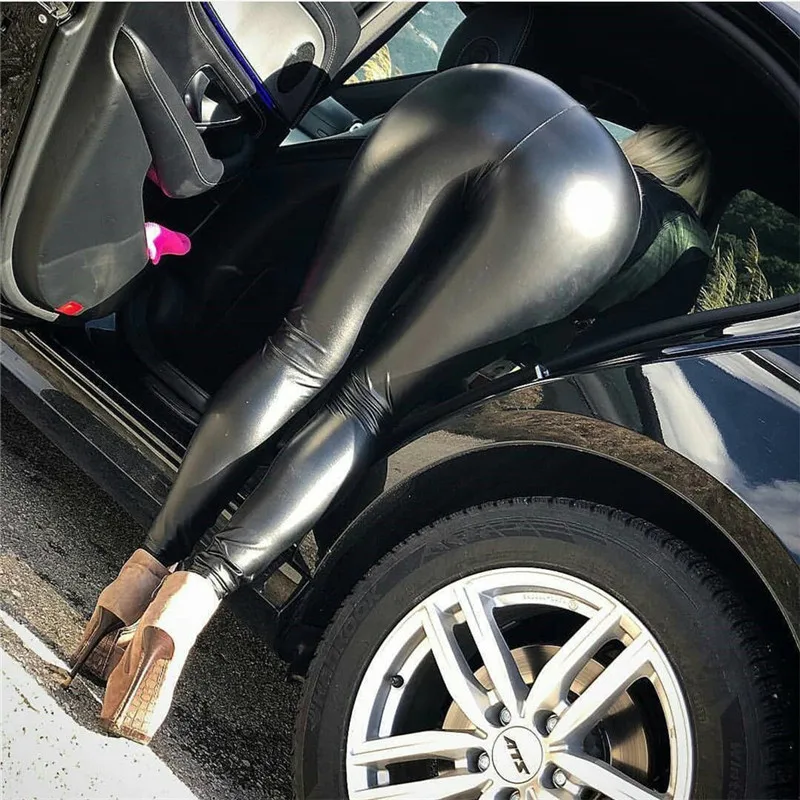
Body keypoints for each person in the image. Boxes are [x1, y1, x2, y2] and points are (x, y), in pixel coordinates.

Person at [65, 65, 711, 744]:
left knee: (302, 349)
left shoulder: (601, 145)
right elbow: (607, 353)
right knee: (367, 405)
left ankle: (138, 580)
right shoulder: (683, 244)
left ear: (642, 144)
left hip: (487, 96)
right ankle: (191, 603)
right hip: (581, 212)